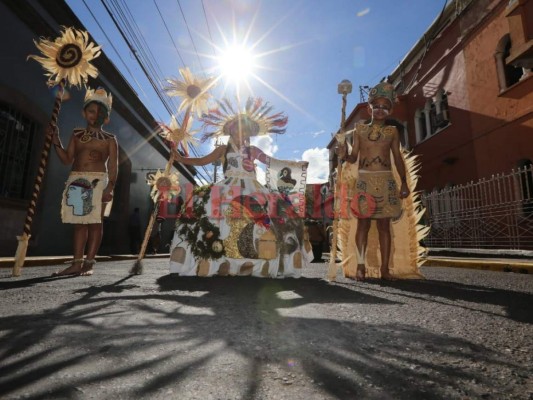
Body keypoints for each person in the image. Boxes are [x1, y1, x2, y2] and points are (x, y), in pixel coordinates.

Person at [169, 97, 311, 278]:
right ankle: (213, 258)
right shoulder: (222, 149)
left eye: (245, 128)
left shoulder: (252, 150)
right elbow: (202, 160)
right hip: (227, 187)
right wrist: (181, 159)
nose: (241, 131)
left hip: (253, 188)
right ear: (231, 130)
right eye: (237, 127)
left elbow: (272, 162)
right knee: (205, 207)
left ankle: (262, 261)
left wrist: (296, 165)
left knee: (276, 213)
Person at [337, 82, 409, 281]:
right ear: (369, 108)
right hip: (364, 182)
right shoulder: (359, 130)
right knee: (363, 225)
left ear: (390, 110)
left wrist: (403, 182)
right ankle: (360, 267)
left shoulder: (392, 132)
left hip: (386, 181)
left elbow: (397, 158)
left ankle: (385, 269)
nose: (380, 110)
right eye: (376, 106)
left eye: (385, 106)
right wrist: (343, 154)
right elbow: (353, 159)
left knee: (385, 226)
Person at [50, 87, 118, 276]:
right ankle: (76, 263)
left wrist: (110, 187)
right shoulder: (77, 135)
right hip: (77, 180)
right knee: (79, 223)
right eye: (91, 111)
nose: (94, 115)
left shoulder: (110, 140)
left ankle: (89, 263)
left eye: (99, 112)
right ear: (84, 112)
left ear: (106, 118)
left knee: (95, 223)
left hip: (99, 182)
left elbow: (113, 166)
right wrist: (56, 141)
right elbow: (66, 159)